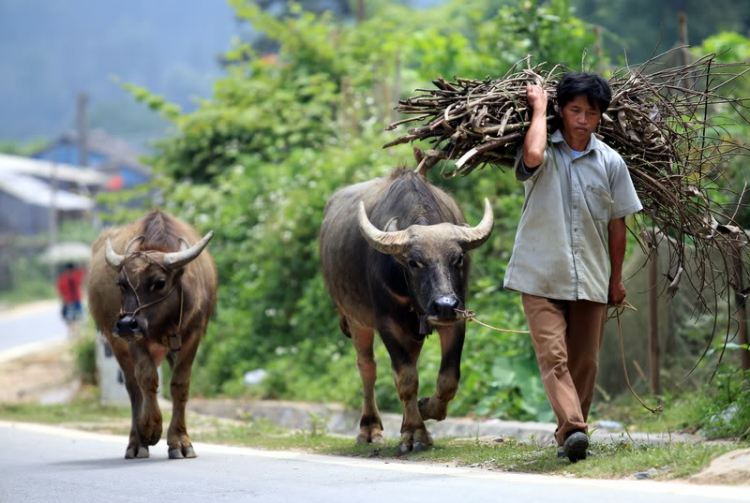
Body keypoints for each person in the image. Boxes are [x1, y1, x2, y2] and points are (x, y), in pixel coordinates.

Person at [503, 73, 643, 462]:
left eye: (590, 112)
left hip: (592, 277)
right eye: (575, 109)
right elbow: (531, 158)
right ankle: (575, 429)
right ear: (562, 111)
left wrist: (616, 280)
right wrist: (539, 108)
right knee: (554, 357)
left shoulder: (611, 163)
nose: (582, 119)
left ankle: (569, 436)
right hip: (540, 273)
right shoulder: (543, 147)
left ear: (600, 117)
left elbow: (619, 227)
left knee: (585, 362)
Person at [57, 262, 85, 328]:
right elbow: (60, 290)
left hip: (76, 300)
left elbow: (82, 281)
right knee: (69, 319)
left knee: (78, 317)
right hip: (68, 301)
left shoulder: (77, 276)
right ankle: (71, 332)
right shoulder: (63, 278)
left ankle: (76, 331)